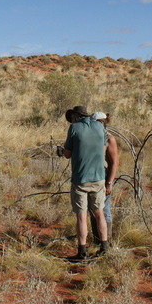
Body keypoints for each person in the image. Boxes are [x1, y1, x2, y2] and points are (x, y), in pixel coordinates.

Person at [62, 105, 110, 260]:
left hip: (81, 179)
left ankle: (82, 252)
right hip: (99, 178)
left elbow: (67, 154)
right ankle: (104, 247)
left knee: (81, 217)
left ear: (76, 116)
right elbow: (103, 147)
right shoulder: (99, 126)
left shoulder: (74, 128)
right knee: (99, 214)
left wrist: (62, 151)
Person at [90, 112, 119, 243]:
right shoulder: (89, 137)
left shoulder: (109, 139)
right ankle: (98, 240)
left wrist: (109, 183)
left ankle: (107, 242)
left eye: (99, 122)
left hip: (104, 177)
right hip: (90, 177)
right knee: (93, 209)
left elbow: (114, 162)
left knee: (104, 209)